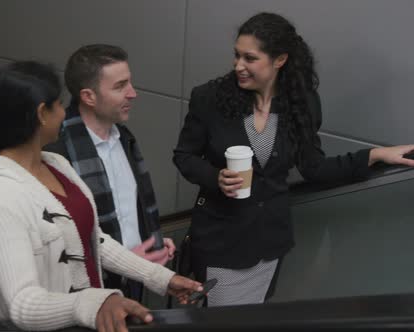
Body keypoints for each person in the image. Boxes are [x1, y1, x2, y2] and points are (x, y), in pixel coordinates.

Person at [173, 12, 414, 307]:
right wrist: (215, 177)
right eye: (236, 56)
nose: (238, 66)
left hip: (268, 244)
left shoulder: (302, 103)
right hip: (220, 241)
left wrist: (374, 155)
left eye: (250, 58)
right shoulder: (208, 98)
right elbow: (184, 156)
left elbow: (314, 169)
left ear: (280, 60)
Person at [0, 61, 202, 331]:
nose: (64, 112)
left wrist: (161, 278)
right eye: (59, 104)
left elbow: (93, 239)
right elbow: (22, 304)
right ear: (41, 114)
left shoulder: (57, 165)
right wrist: (96, 302)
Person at [45, 44, 176, 300]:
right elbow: (57, 240)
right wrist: (124, 261)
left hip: (136, 279)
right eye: (120, 86)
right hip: (87, 292)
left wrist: (154, 242)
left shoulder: (124, 138)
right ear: (88, 96)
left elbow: (130, 208)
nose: (133, 93)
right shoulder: (56, 154)